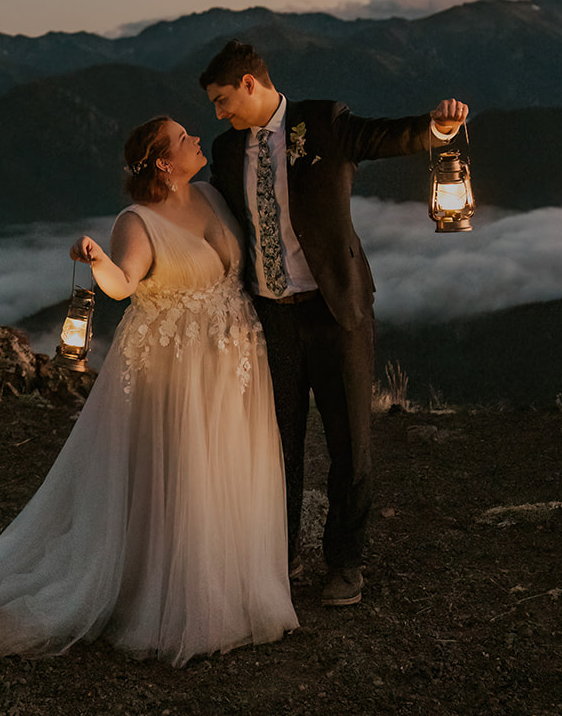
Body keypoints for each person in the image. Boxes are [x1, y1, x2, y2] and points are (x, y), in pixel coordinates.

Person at [0, 115, 297, 667]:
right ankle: (172, 594)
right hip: (179, 373)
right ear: (163, 162)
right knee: (182, 476)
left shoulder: (212, 193)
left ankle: (231, 579)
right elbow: (125, 282)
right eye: (183, 137)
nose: (196, 139)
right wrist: (98, 262)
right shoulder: (135, 222)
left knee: (227, 472)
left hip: (232, 361)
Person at [199, 39, 468, 609]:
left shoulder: (322, 121)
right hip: (269, 317)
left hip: (336, 308)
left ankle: (345, 562)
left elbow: (382, 136)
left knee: (350, 442)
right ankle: (280, 554)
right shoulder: (226, 151)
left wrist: (438, 131)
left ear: (250, 84)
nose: (218, 114)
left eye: (223, 100)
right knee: (277, 445)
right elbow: (203, 208)